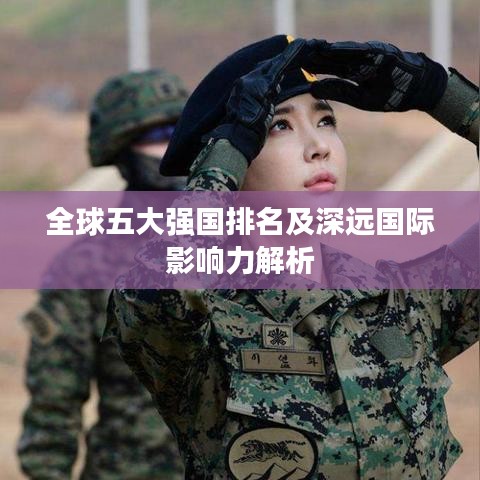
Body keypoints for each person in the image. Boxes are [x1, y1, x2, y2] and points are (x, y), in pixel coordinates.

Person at [106, 37, 479, 480]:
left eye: (326, 121)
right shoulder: (205, 323)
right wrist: (225, 154)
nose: (319, 146)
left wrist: (440, 93)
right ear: (233, 158)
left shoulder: (400, 303)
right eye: (278, 126)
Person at [17, 69, 188, 479]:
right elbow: (52, 411)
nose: (174, 147)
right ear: (120, 151)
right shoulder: (85, 267)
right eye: (158, 134)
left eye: (182, 132)